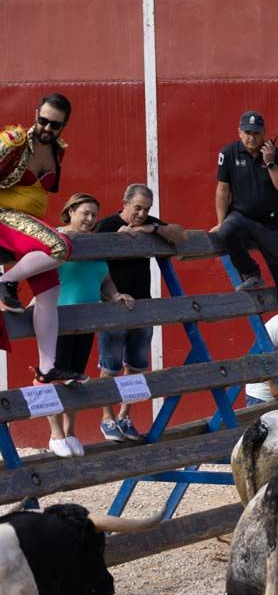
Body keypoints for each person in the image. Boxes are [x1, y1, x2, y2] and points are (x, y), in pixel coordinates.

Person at [0, 93, 86, 384]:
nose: (47, 128)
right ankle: (5, 282)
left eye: (55, 125)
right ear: (35, 113)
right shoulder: (15, 139)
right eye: (43, 120)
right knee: (59, 247)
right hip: (2, 217)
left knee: (49, 290)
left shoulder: (58, 151)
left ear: (64, 126)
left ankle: (47, 367)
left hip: (26, 224)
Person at [95, 184, 187, 441]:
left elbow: (182, 235)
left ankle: (125, 416)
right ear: (124, 203)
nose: (141, 214)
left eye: (146, 209)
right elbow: (91, 258)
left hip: (142, 305)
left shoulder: (149, 222)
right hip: (112, 304)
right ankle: (107, 419)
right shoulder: (106, 225)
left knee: (136, 365)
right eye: (137, 208)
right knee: (110, 366)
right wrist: (117, 239)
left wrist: (153, 229)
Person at [46, 194, 135, 456]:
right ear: (71, 210)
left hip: (87, 319)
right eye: (84, 213)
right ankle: (55, 433)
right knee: (53, 376)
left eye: (94, 215)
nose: (90, 219)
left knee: (76, 376)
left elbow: (104, 279)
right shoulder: (55, 238)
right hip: (59, 318)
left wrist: (116, 295)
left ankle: (70, 431)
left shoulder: (94, 244)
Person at [213, 110, 278, 349]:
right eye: (246, 133)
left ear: (264, 134)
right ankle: (251, 273)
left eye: (256, 133)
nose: (251, 138)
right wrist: (221, 220)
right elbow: (222, 190)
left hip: (271, 223)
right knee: (225, 233)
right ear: (239, 132)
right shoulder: (228, 152)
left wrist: (270, 162)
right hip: (241, 216)